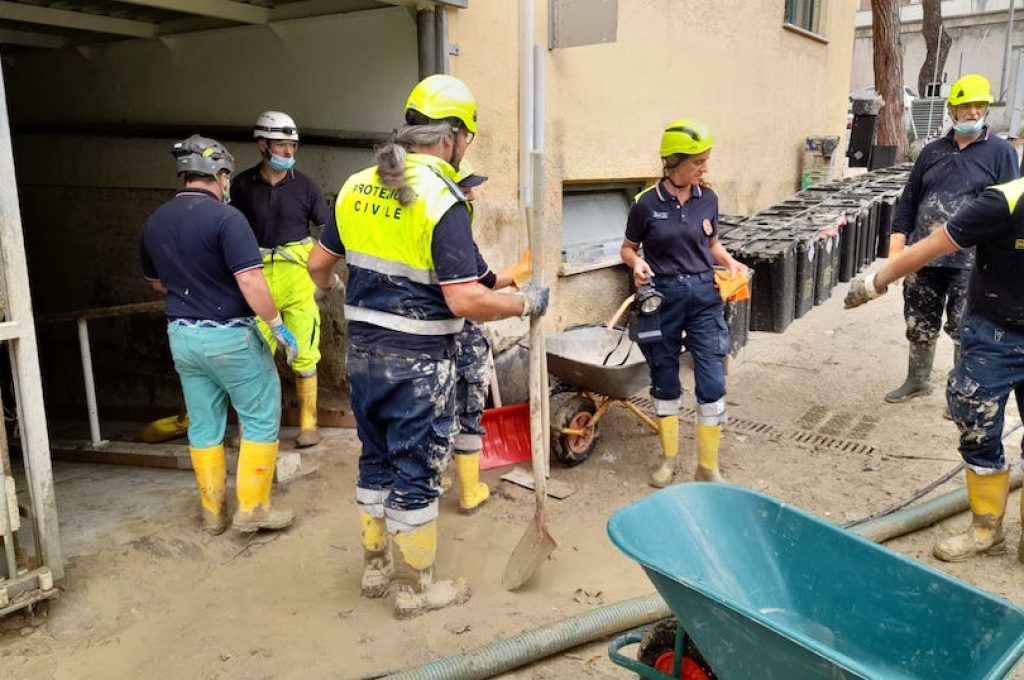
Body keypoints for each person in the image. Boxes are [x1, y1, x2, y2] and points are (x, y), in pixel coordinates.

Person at [307, 75, 549, 618]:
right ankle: (416, 590)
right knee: (417, 471)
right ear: (451, 137)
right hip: (418, 363)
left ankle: (375, 569)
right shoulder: (443, 198)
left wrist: (340, 293)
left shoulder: (356, 185)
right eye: (467, 139)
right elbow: (465, 299)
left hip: (362, 356)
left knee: (375, 459)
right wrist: (525, 303)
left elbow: (319, 265)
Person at [845, 174, 1024, 563]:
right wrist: (876, 282)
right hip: (995, 336)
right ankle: (985, 530)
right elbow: (934, 244)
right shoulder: (1005, 202)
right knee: (977, 430)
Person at [139, 135, 298, 535]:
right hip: (230, 337)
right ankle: (253, 509)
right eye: (226, 175)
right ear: (220, 174)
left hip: (182, 337)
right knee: (260, 415)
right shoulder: (228, 219)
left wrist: (193, 284)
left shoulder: (155, 222)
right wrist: (276, 325)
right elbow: (251, 280)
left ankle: (212, 511)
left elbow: (156, 283)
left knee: (204, 422)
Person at [620, 119, 747, 488]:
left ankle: (707, 466)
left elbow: (712, 244)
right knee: (665, 378)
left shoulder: (709, 199)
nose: (704, 168)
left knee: (712, 379)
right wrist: (636, 263)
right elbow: (627, 249)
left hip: (705, 296)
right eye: (697, 162)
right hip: (663, 298)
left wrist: (729, 261)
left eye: (706, 160)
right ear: (673, 162)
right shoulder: (645, 204)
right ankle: (669, 459)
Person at [883, 74, 1018, 407]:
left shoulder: (1001, 153)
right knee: (918, 320)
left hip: (970, 261)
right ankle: (917, 380)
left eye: (980, 106)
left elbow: (1011, 209)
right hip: (923, 256)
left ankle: (962, 392)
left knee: (965, 327)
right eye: (966, 106)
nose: (974, 112)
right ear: (952, 109)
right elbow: (909, 202)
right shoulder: (932, 152)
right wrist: (897, 254)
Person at [230, 111, 340, 448]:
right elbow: (229, 230)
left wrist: (325, 274)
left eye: (292, 146)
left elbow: (328, 232)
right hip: (257, 276)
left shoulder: (306, 186)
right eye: (281, 145)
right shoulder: (242, 185)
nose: (289, 152)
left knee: (305, 349)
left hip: (297, 278)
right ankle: (253, 430)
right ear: (262, 145)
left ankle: (308, 424)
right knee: (252, 353)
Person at [446, 163, 531, 513]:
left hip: (423, 340)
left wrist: (514, 274)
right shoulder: (452, 228)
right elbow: (481, 286)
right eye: (466, 189)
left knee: (433, 409)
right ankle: (469, 491)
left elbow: (485, 279)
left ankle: (432, 478)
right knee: (468, 406)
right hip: (460, 331)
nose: (472, 196)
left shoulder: (419, 225)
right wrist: (519, 295)